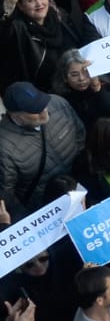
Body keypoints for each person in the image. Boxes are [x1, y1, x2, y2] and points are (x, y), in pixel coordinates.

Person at [0, 82, 84, 219]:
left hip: (82, 189)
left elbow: (80, 136)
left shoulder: (58, 103)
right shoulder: (3, 147)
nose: (44, 109)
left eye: (43, 102)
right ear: (16, 115)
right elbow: (8, 195)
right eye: (35, 109)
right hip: (47, 211)